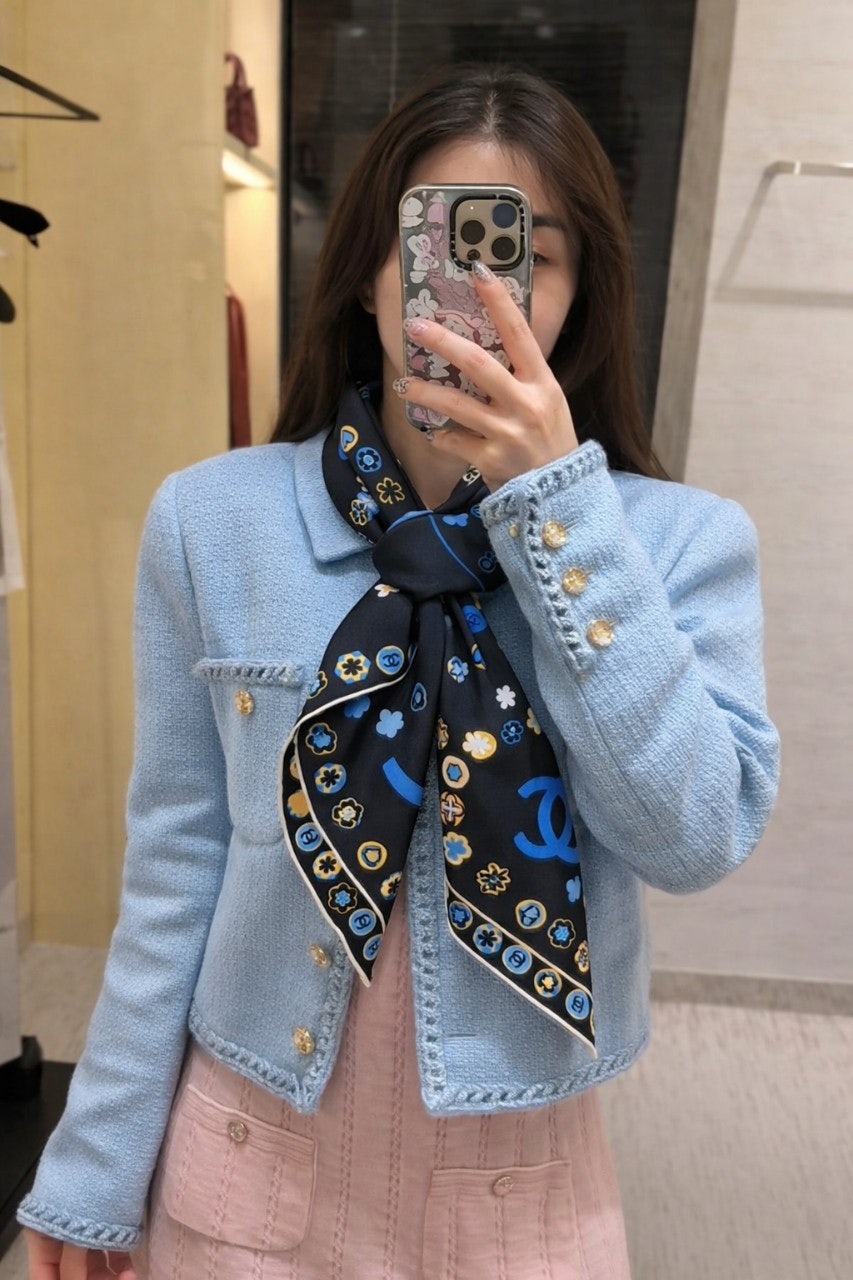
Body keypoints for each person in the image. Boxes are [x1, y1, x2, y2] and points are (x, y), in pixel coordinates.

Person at [19, 63, 779, 1280]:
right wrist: (93, 1166)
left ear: (581, 293)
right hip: (239, 1168)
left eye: (528, 256)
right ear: (371, 270)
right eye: (441, 247)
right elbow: (175, 866)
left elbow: (692, 837)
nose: (481, 297)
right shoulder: (210, 523)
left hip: (522, 1199)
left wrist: (556, 513)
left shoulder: (676, 543)